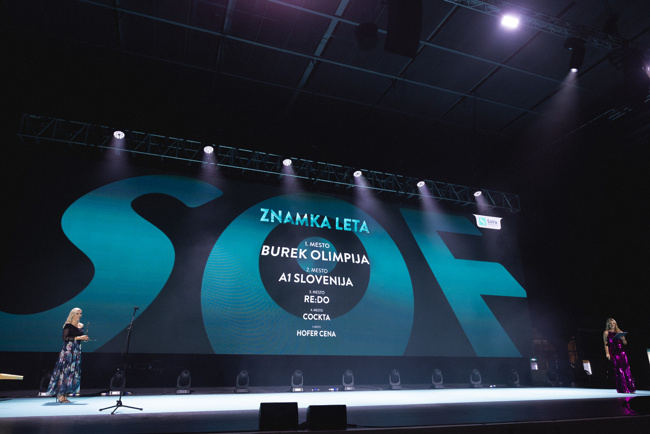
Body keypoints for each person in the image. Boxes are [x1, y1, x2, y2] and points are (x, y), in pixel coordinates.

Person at [47, 307, 90, 403]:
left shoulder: (81, 325)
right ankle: (60, 394)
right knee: (65, 371)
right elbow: (65, 338)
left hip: (76, 351)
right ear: (73, 314)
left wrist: (84, 338)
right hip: (68, 351)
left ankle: (65, 394)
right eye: (77, 313)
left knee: (72, 373)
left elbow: (79, 338)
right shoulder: (68, 325)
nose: (79, 315)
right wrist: (79, 338)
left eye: (80, 313)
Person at [603, 317, 635, 393]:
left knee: (626, 369)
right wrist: (607, 353)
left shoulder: (620, 332)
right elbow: (605, 344)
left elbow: (625, 343)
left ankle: (631, 388)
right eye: (610, 323)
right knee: (619, 369)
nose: (612, 325)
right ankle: (623, 389)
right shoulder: (606, 332)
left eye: (613, 323)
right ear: (608, 324)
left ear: (615, 324)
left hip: (622, 352)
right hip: (614, 352)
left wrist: (623, 339)